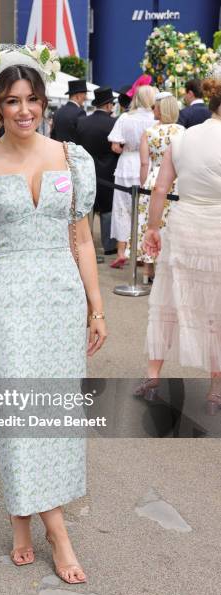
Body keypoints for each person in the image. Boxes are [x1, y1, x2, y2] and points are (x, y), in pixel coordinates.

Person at [0, 44, 107, 584]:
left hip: (61, 299)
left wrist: (96, 307)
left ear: (44, 102)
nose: (23, 110)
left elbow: (81, 239)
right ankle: (58, 533)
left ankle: (21, 517)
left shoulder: (71, 157)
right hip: (8, 301)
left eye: (32, 99)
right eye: (12, 101)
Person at [138, 77, 221, 413]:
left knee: (168, 300)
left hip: (183, 224)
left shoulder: (184, 136)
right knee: (216, 308)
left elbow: (160, 188)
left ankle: (153, 376)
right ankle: (216, 388)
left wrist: (152, 228)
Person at [133, 92, 184, 283]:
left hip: (153, 181)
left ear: (161, 109)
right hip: (176, 181)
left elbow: (144, 163)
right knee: (171, 225)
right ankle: (170, 270)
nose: (152, 109)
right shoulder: (182, 131)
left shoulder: (148, 133)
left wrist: (144, 185)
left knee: (149, 224)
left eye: (154, 106)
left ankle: (148, 271)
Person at [107, 83, 156, 267]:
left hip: (126, 165)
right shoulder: (155, 119)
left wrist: (127, 147)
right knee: (144, 210)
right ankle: (141, 254)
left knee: (122, 209)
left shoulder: (125, 117)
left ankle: (121, 251)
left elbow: (115, 146)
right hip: (147, 166)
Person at [76, 86, 119, 255]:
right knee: (108, 209)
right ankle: (108, 246)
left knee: (87, 208)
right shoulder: (113, 123)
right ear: (108, 105)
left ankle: (85, 242)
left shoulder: (82, 122)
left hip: (86, 170)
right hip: (108, 172)